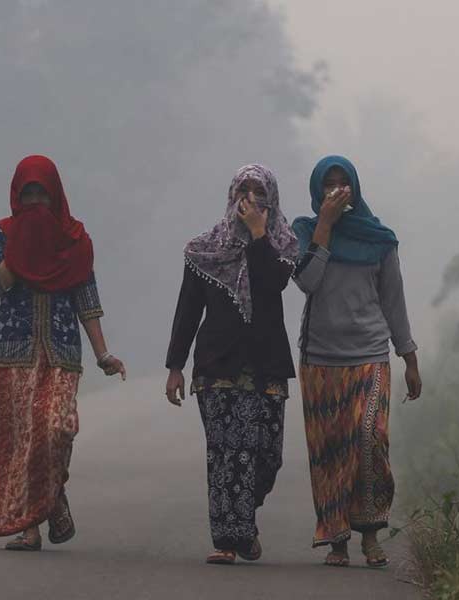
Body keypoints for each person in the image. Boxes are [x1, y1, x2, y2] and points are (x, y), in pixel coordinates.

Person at [0, 155, 126, 551]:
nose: (34, 204)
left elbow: (87, 300)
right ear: (16, 195)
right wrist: (22, 247)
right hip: (15, 354)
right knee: (25, 438)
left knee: (57, 427)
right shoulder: (2, 233)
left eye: (41, 196)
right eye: (27, 195)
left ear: (55, 196)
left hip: (62, 353)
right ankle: (30, 527)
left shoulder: (75, 241)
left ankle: (53, 494)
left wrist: (103, 355)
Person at [291, 155, 422, 568]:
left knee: (369, 439)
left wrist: (409, 358)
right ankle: (337, 540)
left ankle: (370, 534)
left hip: (370, 354)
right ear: (317, 190)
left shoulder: (379, 239)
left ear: (354, 188)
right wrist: (325, 227)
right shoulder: (304, 232)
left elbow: (393, 300)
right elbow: (307, 282)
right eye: (328, 184)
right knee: (331, 451)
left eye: (342, 183)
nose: (335, 190)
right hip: (320, 359)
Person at [165, 164, 300, 565]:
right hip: (216, 364)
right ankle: (227, 540)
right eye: (245, 190)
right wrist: (175, 366)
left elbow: (271, 284)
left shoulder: (283, 245)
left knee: (266, 455)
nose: (252, 199)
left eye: (260, 192)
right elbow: (188, 309)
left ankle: (244, 520)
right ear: (232, 195)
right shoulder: (205, 249)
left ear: (271, 199)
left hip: (266, 365)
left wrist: (259, 234)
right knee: (225, 454)